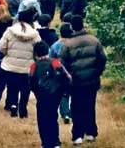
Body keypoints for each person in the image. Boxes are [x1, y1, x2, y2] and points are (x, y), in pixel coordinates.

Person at [61, 15, 106, 144]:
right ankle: (91, 132)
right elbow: (102, 59)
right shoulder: (94, 41)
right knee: (90, 105)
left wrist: (68, 76)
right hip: (92, 80)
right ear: (83, 24)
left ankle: (77, 135)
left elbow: (62, 63)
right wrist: (97, 72)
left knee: (76, 107)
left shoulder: (68, 44)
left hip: (76, 81)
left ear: (72, 27)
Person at [0, 8, 42, 118]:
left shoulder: (10, 31)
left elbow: (2, 46)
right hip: (27, 67)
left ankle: (13, 105)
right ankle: (23, 108)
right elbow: (39, 49)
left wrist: (7, 54)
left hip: (10, 65)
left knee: (12, 87)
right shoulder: (35, 34)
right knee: (25, 88)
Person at [30, 41, 71, 148]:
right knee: (53, 117)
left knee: (42, 119)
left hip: (41, 97)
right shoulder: (55, 62)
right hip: (55, 95)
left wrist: (36, 92)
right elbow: (67, 77)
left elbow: (30, 81)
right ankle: (55, 142)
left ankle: (45, 142)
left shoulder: (34, 66)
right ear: (47, 51)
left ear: (35, 54)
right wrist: (63, 91)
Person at [49, 23, 74, 125]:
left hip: (59, 73)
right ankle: (73, 112)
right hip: (72, 72)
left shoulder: (55, 46)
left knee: (63, 94)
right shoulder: (73, 45)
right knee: (74, 93)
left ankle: (65, 114)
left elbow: (51, 60)